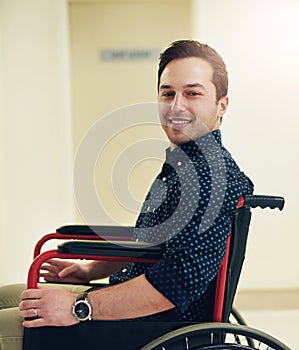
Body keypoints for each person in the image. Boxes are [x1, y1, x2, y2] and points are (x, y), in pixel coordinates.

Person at [0, 39, 253, 349]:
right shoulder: (185, 165)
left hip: (161, 328)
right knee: (7, 296)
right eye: (167, 93)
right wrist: (90, 270)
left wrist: (78, 307)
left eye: (192, 93)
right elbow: (148, 240)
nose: (176, 106)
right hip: (138, 311)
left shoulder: (209, 176)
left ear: (221, 105)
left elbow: (176, 283)